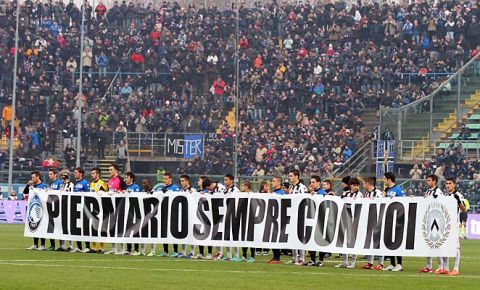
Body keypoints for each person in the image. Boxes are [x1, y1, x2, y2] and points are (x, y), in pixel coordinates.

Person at [419, 174, 445, 274]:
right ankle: (429, 266)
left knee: (437, 244)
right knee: (428, 244)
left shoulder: (438, 192)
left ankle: (440, 266)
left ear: (434, 181)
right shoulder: (427, 191)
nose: (427, 182)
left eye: (429, 180)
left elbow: (441, 205)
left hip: (436, 220)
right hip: (428, 220)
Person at [335, 178, 363, 269]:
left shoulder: (360, 195)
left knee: (353, 241)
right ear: (350, 185)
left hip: (355, 219)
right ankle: (345, 261)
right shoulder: (345, 193)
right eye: (353, 185)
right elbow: (340, 202)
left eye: (357, 185)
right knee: (344, 240)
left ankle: (353, 262)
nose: (355, 187)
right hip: (345, 218)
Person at [361, 177, 385, 270]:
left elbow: (383, 205)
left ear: (368, 183)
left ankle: (381, 263)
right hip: (368, 220)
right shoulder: (366, 193)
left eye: (363, 183)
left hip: (378, 220)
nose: (363, 185)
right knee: (370, 241)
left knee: (378, 241)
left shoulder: (378, 193)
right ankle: (370, 262)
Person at [444, 178, 466, 276]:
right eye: (446, 183)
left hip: (454, 225)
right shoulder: (445, 195)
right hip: (445, 225)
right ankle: (446, 268)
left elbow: (464, 209)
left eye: (450, 183)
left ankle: (456, 269)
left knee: (456, 247)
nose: (448, 185)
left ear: (454, 185)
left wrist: (458, 202)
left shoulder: (458, 195)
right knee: (445, 246)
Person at [383, 172, 405, 272]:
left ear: (389, 179)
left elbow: (404, 201)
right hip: (389, 218)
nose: (383, 180)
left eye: (384, 178)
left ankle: (399, 264)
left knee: (397, 241)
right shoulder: (386, 190)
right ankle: (392, 263)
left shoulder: (398, 189)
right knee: (389, 241)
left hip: (397, 219)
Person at [286, 169, 308, 266]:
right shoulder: (291, 187)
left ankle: (302, 259)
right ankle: (294, 257)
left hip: (300, 214)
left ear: (296, 176)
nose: (289, 178)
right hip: (292, 214)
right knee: (292, 236)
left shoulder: (302, 187)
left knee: (300, 236)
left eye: (291, 176)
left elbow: (305, 200)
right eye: (289, 176)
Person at [105, 164, 127, 255]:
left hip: (120, 206)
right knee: (111, 227)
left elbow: (126, 191)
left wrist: (119, 192)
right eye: (109, 170)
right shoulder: (109, 180)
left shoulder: (121, 180)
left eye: (111, 169)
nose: (109, 171)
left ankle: (122, 248)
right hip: (111, 206)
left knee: (120, 227)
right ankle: (114, 249)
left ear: (116, 170)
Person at [157, 172, 180, 258]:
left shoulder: (175, 188)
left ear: (170, 179)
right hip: (164, 212)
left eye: (166, 178)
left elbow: (178, 197)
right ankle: (165, 251)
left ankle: (175, 251)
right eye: (164, 178)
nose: (164, 180)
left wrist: (168, 193)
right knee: (164, 231)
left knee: (174, 231)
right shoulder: (162, 188)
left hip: (173, 213)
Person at [306, 175, 327, 267]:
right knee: (310, 239)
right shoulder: (310, 192)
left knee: (319, 239)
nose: (311, 184)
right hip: (311, 218)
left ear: (319, 183)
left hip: (320, 219)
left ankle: (321, 260)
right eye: (311, 182)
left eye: (313, 182)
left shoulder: (322, 192)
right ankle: (312, 259)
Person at [25, 171, 48, 251]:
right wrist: (28, 185)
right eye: (32, 177)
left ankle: (43, 244)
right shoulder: (32, 186)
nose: (32, 179)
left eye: (33, 177)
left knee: (42, 226)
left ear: (38, 177)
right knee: (35, 225)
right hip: (34, 209)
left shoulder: (44, 186)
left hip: (42, 209)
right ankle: (35, 244)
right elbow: (25, 192)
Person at [222, 174, 241, 261]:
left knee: (235, 234)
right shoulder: (224, 190)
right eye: (224, 180)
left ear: (231, 180)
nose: (225, 181)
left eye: (226, 180)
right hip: (225, 215)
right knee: (226, 234)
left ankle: (236, 255)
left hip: (234, 215)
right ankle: (229, 255)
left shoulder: (236, 190)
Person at [178, 174, 197, 259]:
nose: (181, 182)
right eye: (181, 181)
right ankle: (183, 251)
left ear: (187, 181)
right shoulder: (181, 191)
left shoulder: (193, 190)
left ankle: (192, 252)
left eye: (183, 181)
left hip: (192, 215)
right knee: (183, 233)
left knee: (192, 233)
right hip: (183, 214)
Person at [90, 167, 108, 253]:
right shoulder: (91, 184)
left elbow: (107, 194)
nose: (92, 175)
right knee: (93, 227)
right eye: (91, 173)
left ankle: (102, 248)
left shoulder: (102, 184)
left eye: (93, 173)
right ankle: (94, 247)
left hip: (101, 209)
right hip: (92, 209)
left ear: (98, 174)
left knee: (101, 228)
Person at [195, 176, 214, 260]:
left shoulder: (211, 193)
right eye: (210, 185)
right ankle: (206, 253)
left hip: (206, 216)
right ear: (207, 186)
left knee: (204, 234)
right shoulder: (203, 193)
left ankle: (203, 252)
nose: (212, 186)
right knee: (205, 234)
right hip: (204, 216)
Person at [268, 176, 285, 264]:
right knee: (272, 238)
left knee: (275, 238)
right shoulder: (274, 192)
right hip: (272, 217)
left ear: (279, 182)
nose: (272, 182)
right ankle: (274, 256)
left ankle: (277, 258)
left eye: (273, 181)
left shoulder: (281, 193)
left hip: (278, 218)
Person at [73, 167, 90, 253]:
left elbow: (88, 195)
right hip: (76, 208)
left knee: (85, 228)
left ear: (81, 174)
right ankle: (79, 247)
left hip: (84, 208)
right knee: (77, 228)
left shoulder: (85, 183)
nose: (74, 174)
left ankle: (87, 246)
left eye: (76, 172)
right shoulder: (75, 183)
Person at [124, 171, 141, 255]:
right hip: (127, 211)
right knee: (127, 229)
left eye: (127, 177)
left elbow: (137, 197)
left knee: (135, 230)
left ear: (132, 178)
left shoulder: (136, 186)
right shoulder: (124, 187)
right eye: (125, 177)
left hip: (134, 211)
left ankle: (136, 249)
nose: (125, 179)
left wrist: (130, 193)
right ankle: (129, 249)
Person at [46, 168, 63, 251]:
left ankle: (61, 245)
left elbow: (61, 192)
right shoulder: (50, 183)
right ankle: (52, 245)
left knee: (59, 226)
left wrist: (52, 191)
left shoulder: (60, 183)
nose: (49, 176)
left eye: (51, 174)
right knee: (51, 225)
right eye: (49, 174)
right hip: (51, 207)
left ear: (55, 174)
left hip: (58, 207)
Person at [140, 177, 156, 256]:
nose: (143, 185)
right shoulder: (142, 192)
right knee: (143, 232)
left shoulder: (155, 192)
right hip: (144, 215)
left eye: (145, 183)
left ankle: (153, 250)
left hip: (153, 215)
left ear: (149, 183)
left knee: (152, 232)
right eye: (142, 183)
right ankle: (142, 250)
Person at [240, 180, 255, 262]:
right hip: (243, 217)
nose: (241, 187)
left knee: (251, 237)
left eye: (242, 185)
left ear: (246, 187)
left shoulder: (253, 195)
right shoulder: (240, 195)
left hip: (251, 219)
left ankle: (252, 256)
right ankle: (244, 255)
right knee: (243, 237)